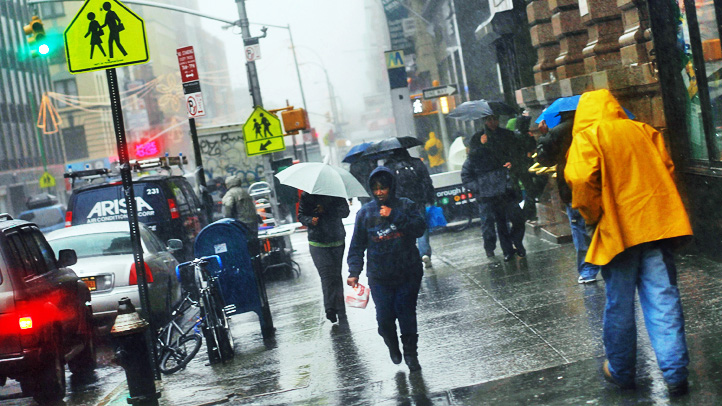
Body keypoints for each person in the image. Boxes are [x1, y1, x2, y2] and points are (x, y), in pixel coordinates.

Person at [565, 89, 693, 396]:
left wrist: (593, 215)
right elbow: (668, 170)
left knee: (619, 304)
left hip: (617, 232)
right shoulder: (643, 130)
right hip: (654, 226)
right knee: (663, 299)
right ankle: (675, 373)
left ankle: (622, 371)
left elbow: (581, 181)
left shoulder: (588, 137)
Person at [347, 167, 426, 371]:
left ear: (391, 187)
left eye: (383, 188)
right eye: (376, 188)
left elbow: (419, 228)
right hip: (380, 276)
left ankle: (411, 354)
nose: (380, 192)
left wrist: (395, 216)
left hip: (408, 272)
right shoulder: (365, 213)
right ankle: (392, 344)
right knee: (384, 318)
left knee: (406, 312)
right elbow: (357, 245)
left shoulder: (406, 205)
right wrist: (353, 272)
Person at [536, 110, 601, 284]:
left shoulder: (558, 131)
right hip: (597, 183)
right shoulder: (595, 126)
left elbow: (545, 159)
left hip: (571, 185)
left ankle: (588, 270)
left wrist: (544, 136)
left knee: (579, 228)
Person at [461, 115, 525, 261]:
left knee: (517, 217)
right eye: (489, 120)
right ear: (484, 121)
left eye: (495, 119)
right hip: (490, 189)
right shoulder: (477, 138)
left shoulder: (507, 135)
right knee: (500, 221)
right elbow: (473, 159)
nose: (493, 122)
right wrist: (482, 145)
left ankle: (517, 242)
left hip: (507, 184)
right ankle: (507, 250)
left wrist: (512, 163)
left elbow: (517, 154)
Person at [298, 192, 350, 323]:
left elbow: (345, 212)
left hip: (336, 240)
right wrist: (310, 220)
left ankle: (340, 308)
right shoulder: (307, 196)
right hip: (317, 241)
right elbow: (301, 215)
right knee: (326, 275)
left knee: (336, 275)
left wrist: (327, 209)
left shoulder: (335, 192)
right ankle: (330, 308)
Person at [384, 149, 435, 268]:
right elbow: (427, 181)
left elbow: (388, 187)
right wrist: (430, 197)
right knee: (421, 227)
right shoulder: (416, 163)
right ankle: (424, 253)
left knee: (403, 229)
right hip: (418, 200)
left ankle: (409, 255)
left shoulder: (389, 167)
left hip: (400, 203)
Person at [222, 174, 259, 240]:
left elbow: (228, 205)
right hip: (253, 222)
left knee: (242, 242)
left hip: (240, 223)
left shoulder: (230, 193)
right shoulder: (245, 192)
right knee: (253, 241)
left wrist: (227, 220)